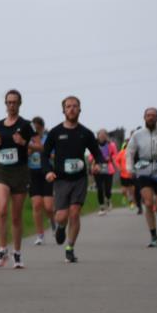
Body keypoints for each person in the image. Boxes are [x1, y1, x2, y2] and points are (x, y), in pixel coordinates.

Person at [43, 96, 104, 263]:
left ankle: (70, 248)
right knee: (61, 216)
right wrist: (48, 172)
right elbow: (44, 155)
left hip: (79, 179)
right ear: (63, 110)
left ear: (80, 109)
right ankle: (61, 227)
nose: (71, 109)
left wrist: (98, 164)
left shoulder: (86, 133)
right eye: (68, 106)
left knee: (75, 213)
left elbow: (97, 153)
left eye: (75, 106)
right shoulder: (55, 132)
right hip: (61, 179)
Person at [0, 89, 35, 268]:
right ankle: (2, 251)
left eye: (15, 102)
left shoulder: (26, 125)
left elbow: (39, 146)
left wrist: (24, 143)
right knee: (1, 210)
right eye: (9, 102)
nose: (12, 105)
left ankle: (17, 253)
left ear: (20, 104)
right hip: (1, 171)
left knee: (16, 216)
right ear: (5, 104)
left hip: (20, 172)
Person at [125, 108, 157, 247]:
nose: (150, 117)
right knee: (148, 203)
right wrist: (129, 168)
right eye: (148, 115)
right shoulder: (138, 134)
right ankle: (153, 236)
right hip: (144, 168)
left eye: (153, 115)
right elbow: (130, 151)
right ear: (144, 117)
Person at [27, 116, 55, 245]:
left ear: (43, 128)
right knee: (37, 204)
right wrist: (30, 150)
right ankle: (40, 234)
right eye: (34, 129)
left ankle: (53, 221)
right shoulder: (28, 140)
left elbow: (54, 154)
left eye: (38, 129)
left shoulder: (48, 139)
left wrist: (41, 150)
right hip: (33, 173)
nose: (36, 131)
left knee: (48, 207)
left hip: (46, 172)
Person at [92, 129, 118, 215]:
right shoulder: (94, 144)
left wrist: (110, 158)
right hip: (97, 167)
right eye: (100, 135)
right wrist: (92, 160)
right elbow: (91, 155)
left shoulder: (111, 145)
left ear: (106, 136)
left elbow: (115, 155)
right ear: (98, 135)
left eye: (104, 135)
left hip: (108, 167)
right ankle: (102, 207)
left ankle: (108, 199)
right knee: (99, 188)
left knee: (108, 189)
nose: (102, 136)